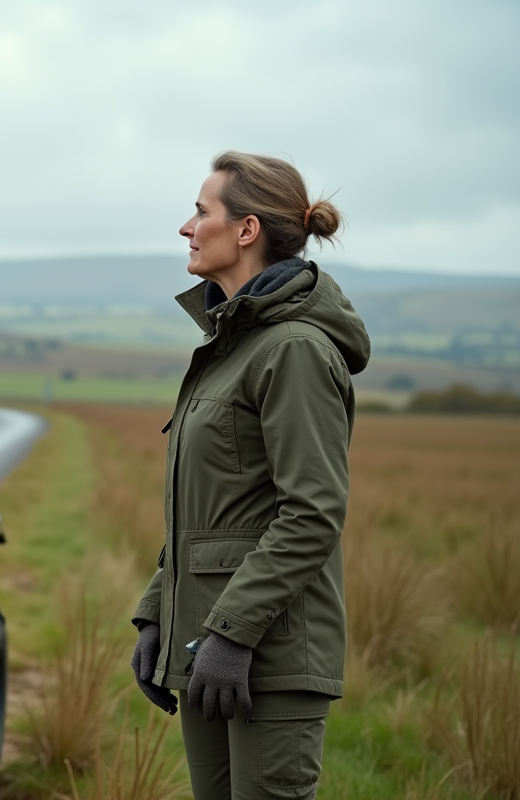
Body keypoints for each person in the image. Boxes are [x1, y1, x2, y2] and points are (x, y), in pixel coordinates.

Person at [128, 151, 371, 800]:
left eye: (201, 212)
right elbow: (214, 508)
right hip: (209, 647)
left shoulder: (292, 349)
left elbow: (311, 513)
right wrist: (160, 613)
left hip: (270, 653)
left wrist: (231, 635)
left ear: (246, 230)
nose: (185, 227)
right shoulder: (232, 343)